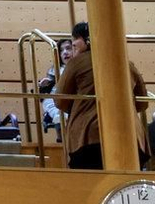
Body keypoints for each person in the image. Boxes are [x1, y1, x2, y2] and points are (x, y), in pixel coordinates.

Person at [54, 21, 147, 170]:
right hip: (130, 135)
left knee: (91, 188)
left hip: (88, 136)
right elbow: (143, 102)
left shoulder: (76, 63)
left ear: (86, 41)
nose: (73, 50)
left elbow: (60, 101)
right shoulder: (126, 63)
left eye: (74, 45)